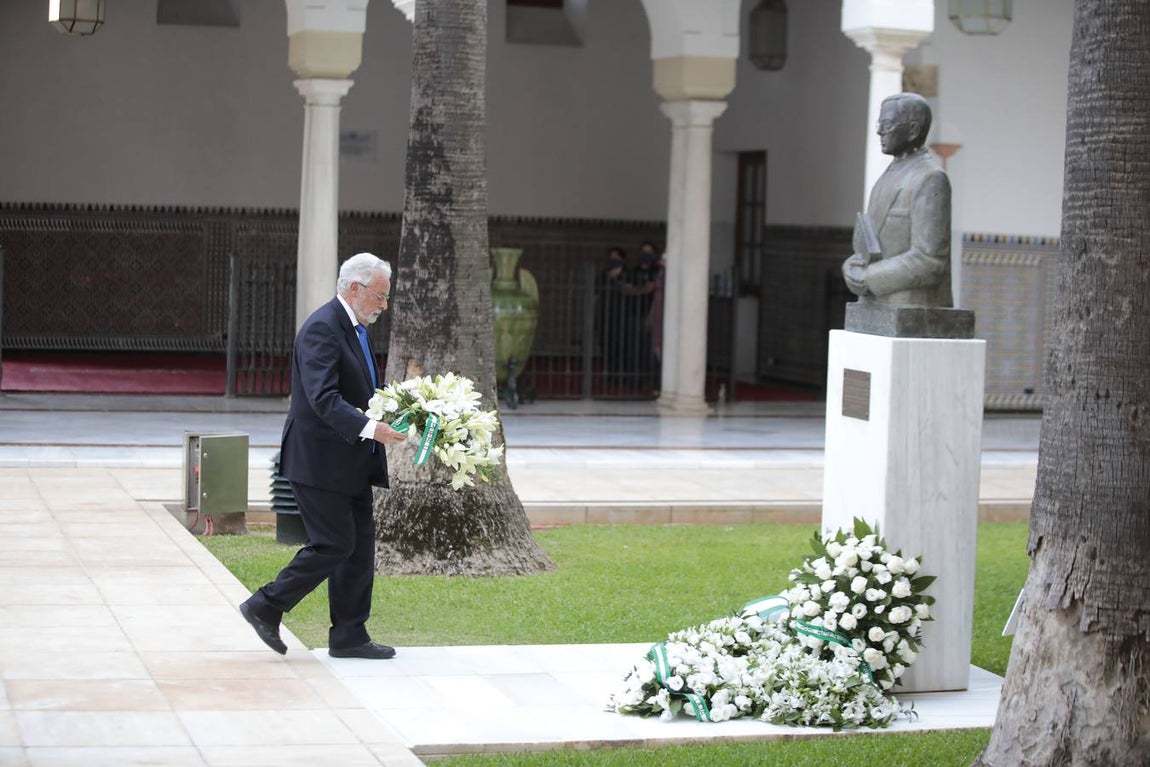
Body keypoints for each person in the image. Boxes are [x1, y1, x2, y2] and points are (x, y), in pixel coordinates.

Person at [239, 252, 407, 659]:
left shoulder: (357, 329)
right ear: (355, 288)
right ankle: (265, 605)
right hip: (318, 461)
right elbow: (323, 398)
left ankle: (349, 635)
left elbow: (363, 391)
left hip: (352, 460)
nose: (384, 305)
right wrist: (372, 429)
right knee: (333, 544)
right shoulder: (322, 328)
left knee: (359, 548)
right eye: (380, 297)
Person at [842, 92, 953, 307]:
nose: (879, 131)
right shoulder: (887, 175)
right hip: (876, 305)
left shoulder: (930, 178)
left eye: (887, 124)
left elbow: (929, 261)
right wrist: (852, 265)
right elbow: (871, 244)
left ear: (912, 130)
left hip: (911, 308)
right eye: (879, 123)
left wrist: (868, 277)